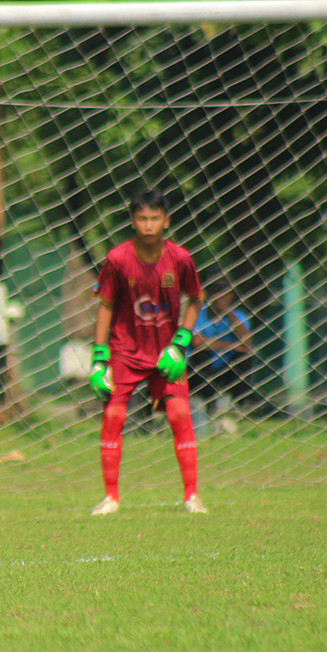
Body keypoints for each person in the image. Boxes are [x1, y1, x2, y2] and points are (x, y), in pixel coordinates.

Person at [88, 189, 207, 515]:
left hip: (166, 353)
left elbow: (197, 299)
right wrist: (99, 358)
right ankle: (111, 498)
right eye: (142, 218)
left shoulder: (180, 258)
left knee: (180, 414)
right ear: (132, 221)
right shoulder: (118, 259)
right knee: (113, 416)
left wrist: (180, 343)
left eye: (155, 218)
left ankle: (192, 496)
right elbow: (105, 306)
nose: (149, 225)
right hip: (125, 351)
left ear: (166, 221)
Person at [190, 278, 254, 426]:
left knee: (245, 357)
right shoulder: (199, 314)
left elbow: (247, 342)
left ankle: (236, 405)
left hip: (226, 366)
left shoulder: (238, 316)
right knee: (201, 355)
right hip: (201, 368)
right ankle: (207, 404)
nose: (221, 297)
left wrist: (229, 312)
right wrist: (232, 345)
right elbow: (197, 342)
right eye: (217, 292)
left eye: (226, 293)